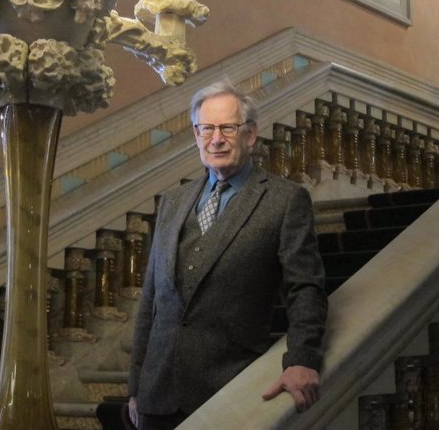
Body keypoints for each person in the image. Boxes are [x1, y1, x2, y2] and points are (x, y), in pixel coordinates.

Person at [127, 81, 328, 429]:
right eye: (207, 128)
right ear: (196, 133)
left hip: (229, 393)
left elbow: (305, 288)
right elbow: (151, 300)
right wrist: (136, 387)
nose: (215, 139)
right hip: (156, 400)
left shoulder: (284, 201)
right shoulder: (173, 203)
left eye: (227, 128)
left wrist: (302, 358)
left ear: (250, 135)